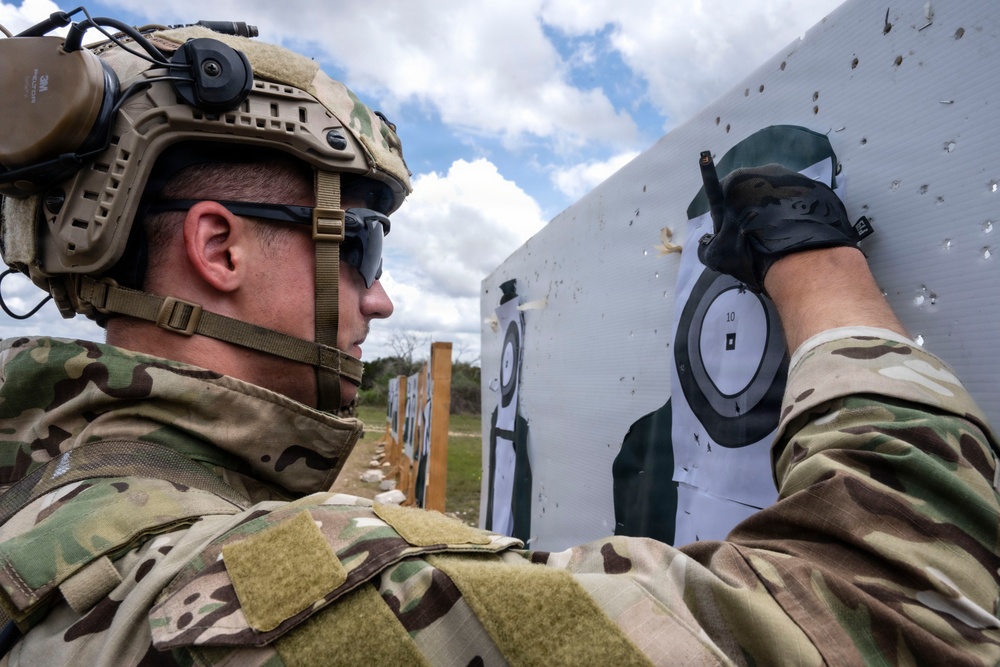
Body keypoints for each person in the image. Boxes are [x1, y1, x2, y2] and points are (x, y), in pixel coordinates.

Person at [1, 13, 998, 667]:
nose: (380, 299)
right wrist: (822, 276)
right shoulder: (271, 584)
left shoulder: (46, 499)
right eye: (360, 245)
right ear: (219, 247)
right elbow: (909, 607)